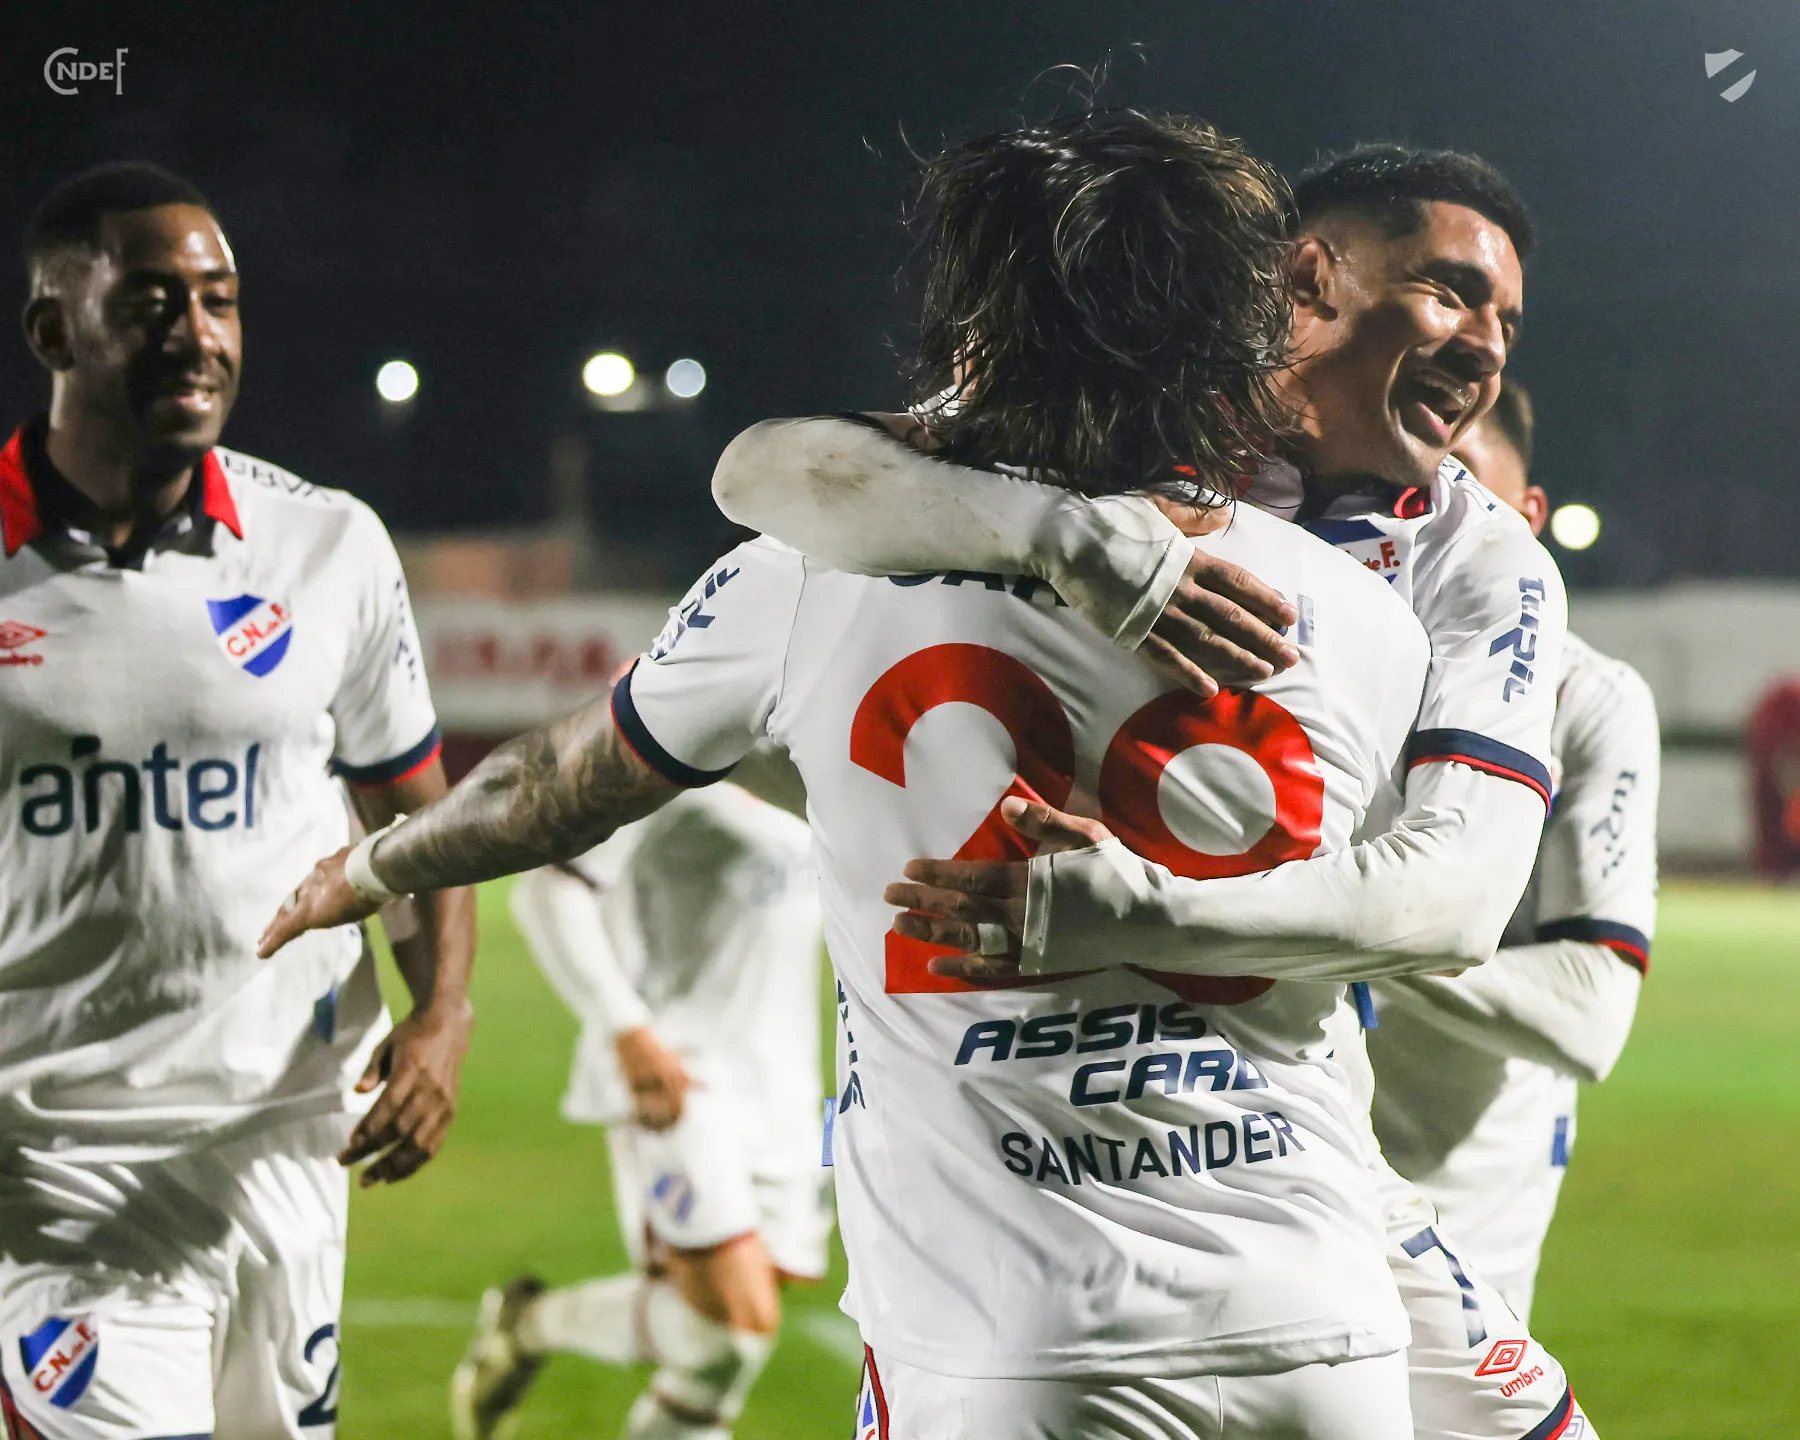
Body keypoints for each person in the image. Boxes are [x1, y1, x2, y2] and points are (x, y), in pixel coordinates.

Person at [265, 109, 1441, 1440]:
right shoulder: (1362, 619)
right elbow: (1394, 913)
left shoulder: (808, 583)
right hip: (1318, 1327)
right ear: (1243, 336)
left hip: (1009, 1342)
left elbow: (554, 788)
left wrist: (375, 862)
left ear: (976, 336)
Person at [708, 146, 1596, 1439]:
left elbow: (1455, 900)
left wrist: (1137, 907)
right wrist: (1064, 541)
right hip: (1014, 1150)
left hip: (1291, 1124)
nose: (1488, 347)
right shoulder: (1121, 434)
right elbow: (763, 472)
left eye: (1507, 319)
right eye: (1452, 293)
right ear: (1311, 276)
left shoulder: (1480, 560)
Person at [0, 162, 475, 1439]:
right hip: (56, 1166)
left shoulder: (329, 546)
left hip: (289, 1146)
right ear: (52, 329)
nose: (198, 334)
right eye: (152, 302)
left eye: (219, 300)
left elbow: (418, 823)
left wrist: (442, 1013)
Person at [1369, 381, 1659, 1321]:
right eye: (1410, 491)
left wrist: (1338, 927)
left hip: (1472, 1179)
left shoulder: (1586, 700)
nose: (1434, 520)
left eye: (1466, 484)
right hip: (1283, 1139)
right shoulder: (1326, 659)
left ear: (1529, 517)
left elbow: (1589, 1013)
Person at [451, 781, 831, 1440]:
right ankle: (533, 1325)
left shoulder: (808, 763)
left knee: (712, 1357)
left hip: (785, 1095)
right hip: (681, 1077)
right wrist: (626, 1029)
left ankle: (526, 1324)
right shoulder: (673, 756)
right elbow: (548, 892)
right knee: (730, 1332)